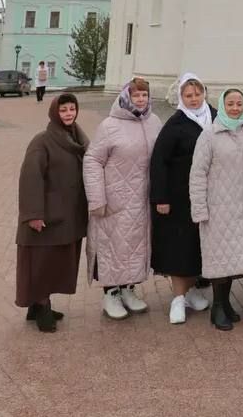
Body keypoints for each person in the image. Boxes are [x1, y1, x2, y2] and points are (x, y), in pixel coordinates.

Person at [83, 77, 161, 319]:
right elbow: (93, 160)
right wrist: (97, 198)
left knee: (136, 246)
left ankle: (129, 289)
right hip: (115, 199)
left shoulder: (154, 122)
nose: (140, 99)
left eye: (144, 95)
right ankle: (110, 293)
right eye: (136, 95)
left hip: (142, 198)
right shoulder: (110, 125)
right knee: (113, 246)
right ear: (127, 96)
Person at [15, 93, 89, 332]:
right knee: (41, 262)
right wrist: (34, 214)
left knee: (56, 262)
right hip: (46, 216)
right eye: (63, 110)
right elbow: (30, 178)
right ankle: (41, 306)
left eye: (72, 109)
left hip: (67, 215)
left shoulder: (77, 138)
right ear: (54, 113)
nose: (69, 114)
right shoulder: (42, 141)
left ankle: (38, 306)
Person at [189, 87, 243, 331]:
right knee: (219, 259)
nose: (236, 108)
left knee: (232, 259)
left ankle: (226, 303)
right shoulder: (209, 135)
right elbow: (197, 173)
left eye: (239, 103)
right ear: (222, 105)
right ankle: (217, 307)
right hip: (217, 207)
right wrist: (199, 209)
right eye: (230, 104)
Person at [150, 73, 215, 324]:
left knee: (199, 246)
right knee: (179, 247)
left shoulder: (216, 117)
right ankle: (178, 298)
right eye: (188, 95)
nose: (194, 99)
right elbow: (159, 162)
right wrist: (161, 197)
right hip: (179, 197)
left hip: (209, 194)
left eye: (197, 94)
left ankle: (192, 290)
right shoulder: (175, 124)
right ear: (181, 97)